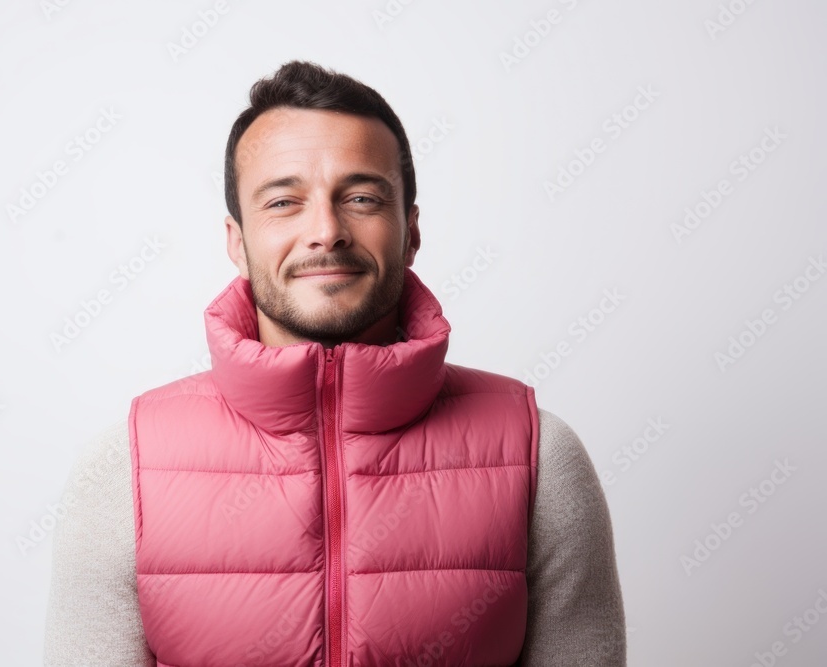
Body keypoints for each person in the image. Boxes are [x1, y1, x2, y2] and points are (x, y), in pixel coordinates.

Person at [44, 60, 625, 666]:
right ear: (237, 241)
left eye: (361, 197)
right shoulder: (123, 469)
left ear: (411, 232)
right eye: (283, 201)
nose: (326, 230)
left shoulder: (541, 458)